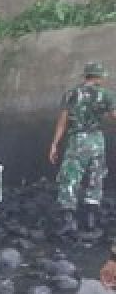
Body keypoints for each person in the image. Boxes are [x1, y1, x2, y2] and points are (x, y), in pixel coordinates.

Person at [49, 62, 115, 239]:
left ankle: (68, 220)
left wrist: (55, 144)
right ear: (99, 77)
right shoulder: (107, 95)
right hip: (97, 140)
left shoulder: (71, 94)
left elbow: (63, 121)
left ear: (86, 76)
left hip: (77, 140)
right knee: (95, 177)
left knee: (70, 177)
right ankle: (90, 220)